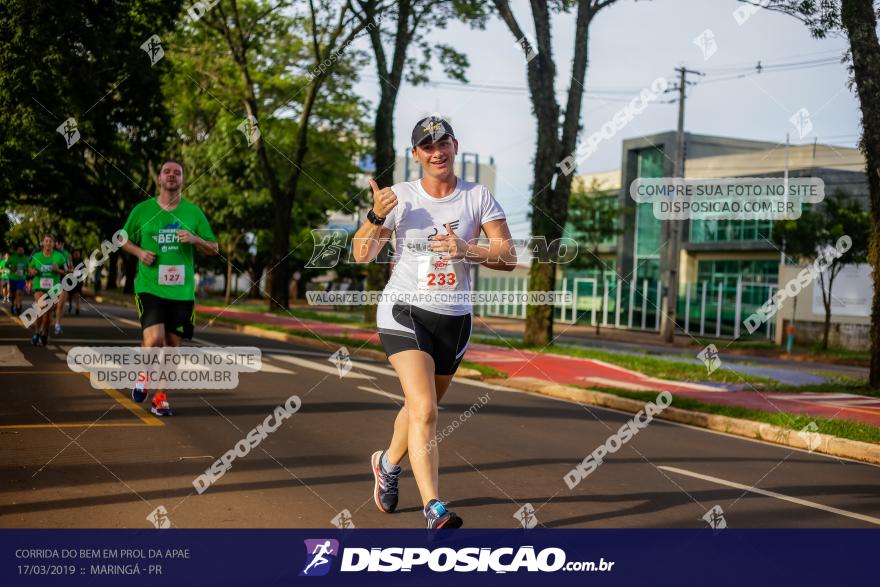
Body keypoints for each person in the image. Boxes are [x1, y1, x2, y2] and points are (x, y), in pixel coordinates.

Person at [352, 116, 516, 529]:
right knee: (424, 409)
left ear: (455, 146)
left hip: (454, 319)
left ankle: (387, 464)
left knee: (419, 409)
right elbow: (361, 255)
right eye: (427, 147)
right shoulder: (399, 197)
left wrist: (468, 249)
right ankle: (434, 507)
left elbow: (508, 257)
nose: (437, 151)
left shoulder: (478, 196)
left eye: (443, 143)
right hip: (403, 310)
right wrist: (374, 217)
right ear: (416, 155)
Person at [121, 159, 218, 416]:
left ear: (183, 179)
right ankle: (143, 376)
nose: (172, 176)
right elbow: (121, 238)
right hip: (150, 285)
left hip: (181, 291)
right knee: (153, 339)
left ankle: (160, 397)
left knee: (173, 345)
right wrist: (139, 251)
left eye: (177, 172)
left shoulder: (194, 213)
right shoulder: (142, 210)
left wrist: (195, 239)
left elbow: (214, 247)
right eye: (167, 172)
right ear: (159, 179)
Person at [27, 234, 67, 346]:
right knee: (42, 306)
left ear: (54, 244)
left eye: (50, 241)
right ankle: (36, 332)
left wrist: (57, 270)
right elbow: (30, 268)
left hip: (54, 289)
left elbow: (66, 272)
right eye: (46, 241)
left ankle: (45, 333)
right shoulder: (37, 256)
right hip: (39, 286)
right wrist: (33, 272)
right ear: (43, 243)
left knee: (48, 313)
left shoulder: (59, 256)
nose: (48, 243)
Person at [53, 238, 72, 334]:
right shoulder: (51, 253)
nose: (59, 245)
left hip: (63, 281)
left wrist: (67, 271)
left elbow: (71, 268)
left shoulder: (67, 254)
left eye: (60, 243)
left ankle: (57, 325)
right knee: (55, 305)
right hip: (52, 282)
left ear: (63, 244)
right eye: (57, 243)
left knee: (61, 305)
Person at [7, 245, 28, 315]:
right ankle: (13, 304)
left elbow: (29, 267)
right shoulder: (12, 258)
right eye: (19, 250)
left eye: (22, 250)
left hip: (21, 278)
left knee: (19, 292)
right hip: (12, 278)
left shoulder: (26, 258)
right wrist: (12, 269)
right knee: (13, 294)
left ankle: (19, 307)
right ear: (16, 251)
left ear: (24, 251)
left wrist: (28, 272)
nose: (21, 252)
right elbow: (6, 265)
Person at [67, 249, 84, 315]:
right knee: (69, 296)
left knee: (77, 295)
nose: (76, 254)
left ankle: (77, 309)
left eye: (78, 253)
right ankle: (70, 305)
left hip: (78, 282)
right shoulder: (70, 261)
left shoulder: (81, 262)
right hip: (69, 281)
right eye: (75, 253)